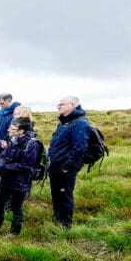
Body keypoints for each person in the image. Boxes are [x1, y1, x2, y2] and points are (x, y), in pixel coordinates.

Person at [0, 117, 40, 235]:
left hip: (20, 181)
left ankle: (15, 232)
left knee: (16, 206)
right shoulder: (12, 140)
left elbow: (27, 165)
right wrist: (1, 161)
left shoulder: (32, 144)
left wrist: (6, 167)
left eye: (12, 128)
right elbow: (5, 154)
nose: (8, 130)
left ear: (21, 131)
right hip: (6, 178)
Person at [47, 96, 90, 229]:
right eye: (58, 105)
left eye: (61, 104)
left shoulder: (80, 123)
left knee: (64, 193)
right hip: (55, 164)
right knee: (56, 193)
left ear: (71, 105)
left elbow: (79, 147)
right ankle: (57, 219)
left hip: (65, 166)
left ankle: (65, 225)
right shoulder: (63, 122)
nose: (58, 107)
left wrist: (67, 166)